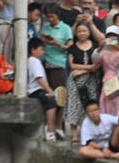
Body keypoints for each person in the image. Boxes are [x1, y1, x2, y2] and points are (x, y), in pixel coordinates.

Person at [39, 5, 73, 138]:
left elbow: (70, 47)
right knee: (48, 97)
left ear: (58, 15)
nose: (50, 20)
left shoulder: (65, 29)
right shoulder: (45, 28)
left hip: (58, 65)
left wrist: (57, 43)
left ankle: (59, 126)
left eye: (52, 17)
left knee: (60, 96)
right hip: (45, 64)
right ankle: (50, 126)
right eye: (48, 17)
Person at [65, 22, 99, 145]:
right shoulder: (72, 48)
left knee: (90, 105)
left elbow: (96, 65)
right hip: (74, 81)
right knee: (73, 105)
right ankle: (74, 134)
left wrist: (83, 70)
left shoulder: (95, 47)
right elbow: (72, 65)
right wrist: (88, 67)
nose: (82, 33)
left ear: (89, 32)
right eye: (79, 31)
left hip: (91, 80)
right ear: (76, 33)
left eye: (84, 31)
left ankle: (88, 134)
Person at [27, 37, 58, 141]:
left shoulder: (32, 61)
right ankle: (50, 131)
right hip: (35, 90)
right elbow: (39, 78)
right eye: (41, 49)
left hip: (35, 89)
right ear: (33, 50)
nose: (42, 52)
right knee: (51, 102)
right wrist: (50, 91)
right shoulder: (34, 61)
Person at [99, 26, 119, 118]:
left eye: (114, 36)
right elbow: (95, 61)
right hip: (107, 83)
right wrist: (99, 47)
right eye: (109, 36)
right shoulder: (103, 52)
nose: (111, 39)